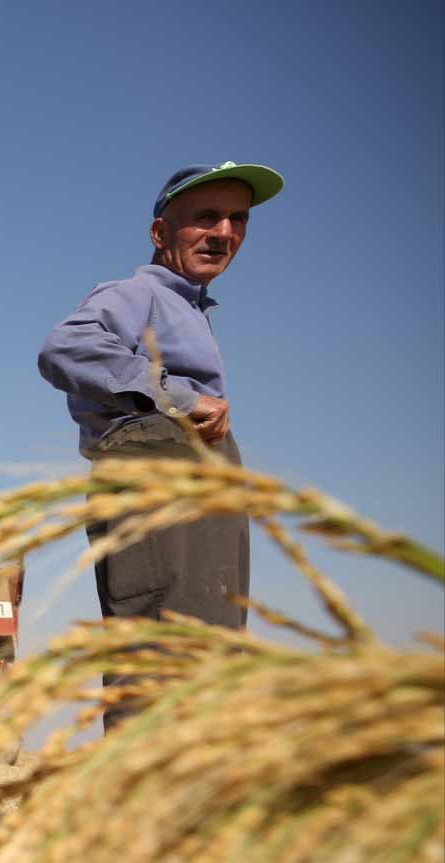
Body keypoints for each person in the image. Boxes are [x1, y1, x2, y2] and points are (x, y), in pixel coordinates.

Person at [39, 161, 284, 642]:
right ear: (159, 233)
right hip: (160, 478)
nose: (224, 232)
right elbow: (65, 348)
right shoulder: (138, 294)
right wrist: (180, 398)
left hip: (202, 485)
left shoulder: (190, 308)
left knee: (210, 654)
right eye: (206, 216)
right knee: (163, 657)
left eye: (238, 219)